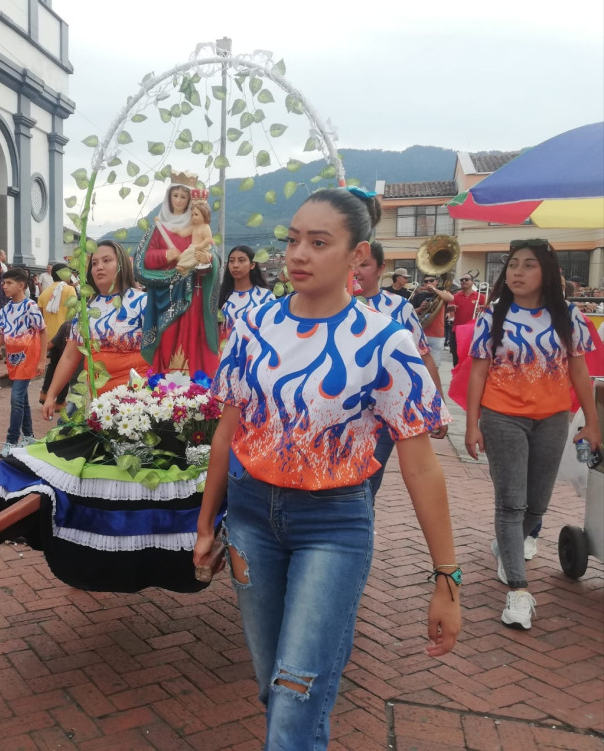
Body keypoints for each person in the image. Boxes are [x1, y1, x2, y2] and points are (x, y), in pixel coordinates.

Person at [194, 188, 461, 750]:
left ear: (356, 255)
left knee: (297, 697)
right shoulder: (251, 329)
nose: (299, 254)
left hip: (333, 528)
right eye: (293, 240)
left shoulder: (388, 342)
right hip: (249, 522)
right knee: (276, 689)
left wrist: (447, 577)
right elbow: (228, 432)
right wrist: (204, 524)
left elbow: (420, 468)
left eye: (319, 242)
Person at [465, 238, 599, 631]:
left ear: (547, 274)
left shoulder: (569, 316)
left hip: (554, 418)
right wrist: (472, 424)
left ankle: (505, 548)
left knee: (537, 504)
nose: (517, 273)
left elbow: (579, 371)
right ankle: (519, 592)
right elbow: (477, 373)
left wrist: (591, 421)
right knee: (512, 504)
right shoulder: (492, 316)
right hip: (502, 416)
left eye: (528, 265)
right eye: (512, 265)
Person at [356, 241, 449, 498]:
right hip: (340, 411)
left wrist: (436, 405)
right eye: (350, 263)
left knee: (366, 486)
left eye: (363, 264)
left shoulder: (400, 307)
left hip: (383, 413)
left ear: (380, 268)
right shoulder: (328, 307)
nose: (355, 270)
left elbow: (424, 358)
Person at [42, 240, 149, 420]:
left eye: (107, 261)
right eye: (94, 263)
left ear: (122, 265)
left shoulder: (142, 302)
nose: (99, 267)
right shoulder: (85, 311)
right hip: (100, 406)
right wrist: (51, 395)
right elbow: (69, 357)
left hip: (138, 404)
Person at [134, 174, 219, 377]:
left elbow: (211, 253)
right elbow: (143, 259)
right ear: (168, 197)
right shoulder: (159, 227)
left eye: (183, 197)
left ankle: (194, 382)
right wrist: (165, 255)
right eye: (176, 195)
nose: (179, 201)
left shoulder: (197, 224)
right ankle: (165, 379)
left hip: (191, 294)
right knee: (167, 336)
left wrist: (206, 259)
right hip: (165, 292)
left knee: (192, 336)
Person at [0, 267, 47, 457]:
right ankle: (29, 436)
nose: (4, 286)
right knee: (22, 399)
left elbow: (43, 331)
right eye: (3, 283)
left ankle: (11, 441)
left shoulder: (30, 306)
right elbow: (1, 336)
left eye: (9, 283)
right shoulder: (5, 309)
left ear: (21, 285)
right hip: (13, 359)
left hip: (28, 357)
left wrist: (42, 360)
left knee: (16, 397)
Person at [37, 262, 77, 404]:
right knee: (65, 368)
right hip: (66, 336)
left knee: (53, 365)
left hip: (49, 336)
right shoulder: (69, 291)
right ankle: (60, 401)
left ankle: (44, 392)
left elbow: (40, 318)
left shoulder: (44, 293)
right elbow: (74, 313)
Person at [218, 245, 274, 344]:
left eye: (241, 260)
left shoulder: (265, 297)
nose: (235, 265)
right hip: (225, 354)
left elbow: (272, 330)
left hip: (255, 352)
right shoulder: (220, 295)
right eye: (231, 261)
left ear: (252, 264)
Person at [410, 273, 454, 365]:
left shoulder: (442, 293)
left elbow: (450, 298)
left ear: (437, 282)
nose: (428, 283)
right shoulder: (419, 296)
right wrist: (420, 308)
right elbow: (410, 312)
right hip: (421, 332)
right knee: (419, 363)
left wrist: (434, 289)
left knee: (435, 363)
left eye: (431, 281)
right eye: (426, 281)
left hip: (437, 334)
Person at [448, 273, 487, 366]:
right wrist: (450, 308)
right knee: (456, 358)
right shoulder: (455, 296)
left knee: (471, 359)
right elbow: (449, 310)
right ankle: (457, 378)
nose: (463, 281)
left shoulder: (480, 296)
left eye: (466, 279)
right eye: (461, 280)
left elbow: (487, 312)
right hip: (457, 331)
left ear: (472, 282)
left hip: (474, 331)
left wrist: (481, 309)